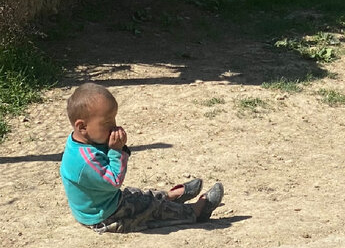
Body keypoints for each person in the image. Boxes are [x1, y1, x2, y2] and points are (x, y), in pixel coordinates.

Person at [60, 82, 224, 233]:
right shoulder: (85, 161)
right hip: (105, 216)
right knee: (150, 210)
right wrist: (117, 151)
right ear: (82, 127)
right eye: (107, 123)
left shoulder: (80, 140)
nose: (114, 126)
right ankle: (195, 211)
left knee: (135, 195)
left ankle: (169, 197)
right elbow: (114, 181)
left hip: (102, 203)